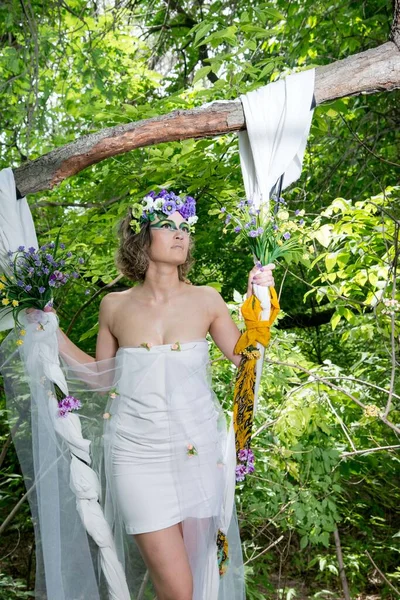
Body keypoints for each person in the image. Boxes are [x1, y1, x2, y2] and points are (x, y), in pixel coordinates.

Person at [53, 190, 275, 600]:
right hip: (136, 457)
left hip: (198, 452)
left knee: (199, 578)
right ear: (141, 237)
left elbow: (246, 359)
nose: (180, 235)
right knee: (178, 590)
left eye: (185, 228)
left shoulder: (206, 299)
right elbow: (102, 380)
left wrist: (259, 303)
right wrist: (52, 332)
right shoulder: (113, 306)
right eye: (168, 226)